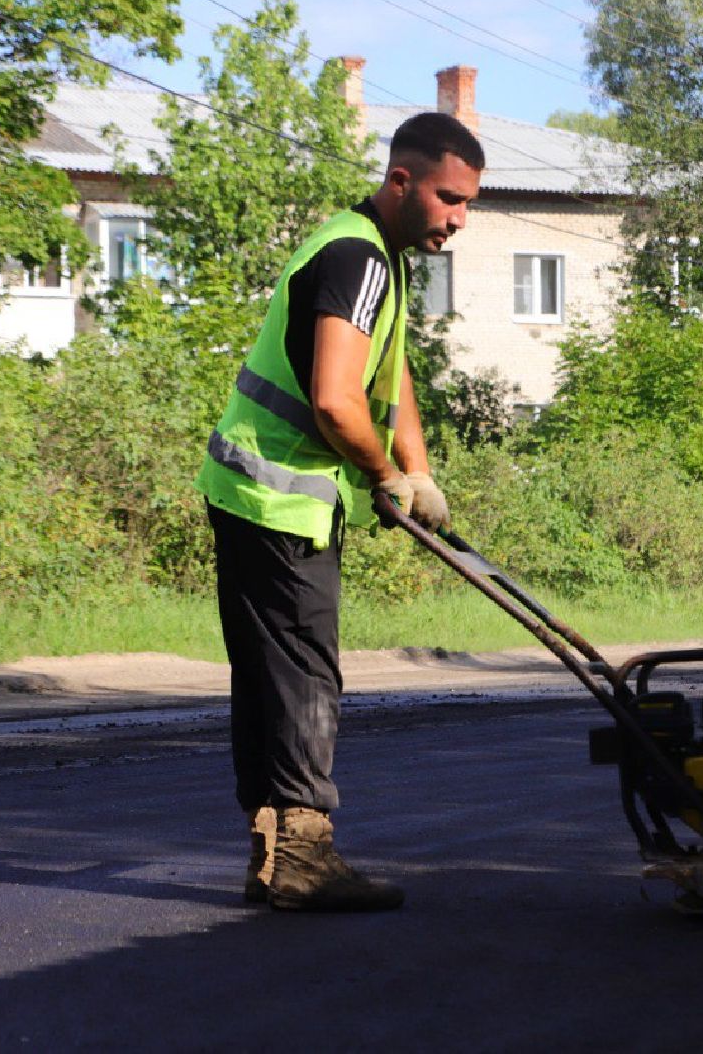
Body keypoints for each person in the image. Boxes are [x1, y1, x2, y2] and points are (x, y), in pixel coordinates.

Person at [195, 112, 485, 912]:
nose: (457, 220)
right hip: (280, 499)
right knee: (302, 680)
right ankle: (302, 857)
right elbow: (333, 399)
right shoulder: (358, 257)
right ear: (401, 182)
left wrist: (416, 471)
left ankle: (269, 854)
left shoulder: (368, 252)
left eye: (467, 206)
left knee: (268, 679)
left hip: (250, 493)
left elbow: (387, 379)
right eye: (449, 200)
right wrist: (386, 476)